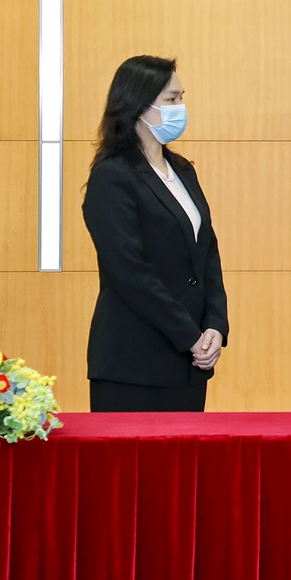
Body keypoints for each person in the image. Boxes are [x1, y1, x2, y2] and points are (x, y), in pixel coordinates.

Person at [82, 56, 229, 412]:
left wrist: (215, 325)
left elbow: (206, 253)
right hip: (133, 363)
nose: (180, 107)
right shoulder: (112, 176)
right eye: (171, 99)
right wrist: (188, 335)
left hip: (188, 364)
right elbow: (128, 271)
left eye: (181, 98)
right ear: (138, 106)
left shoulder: (182, 170)